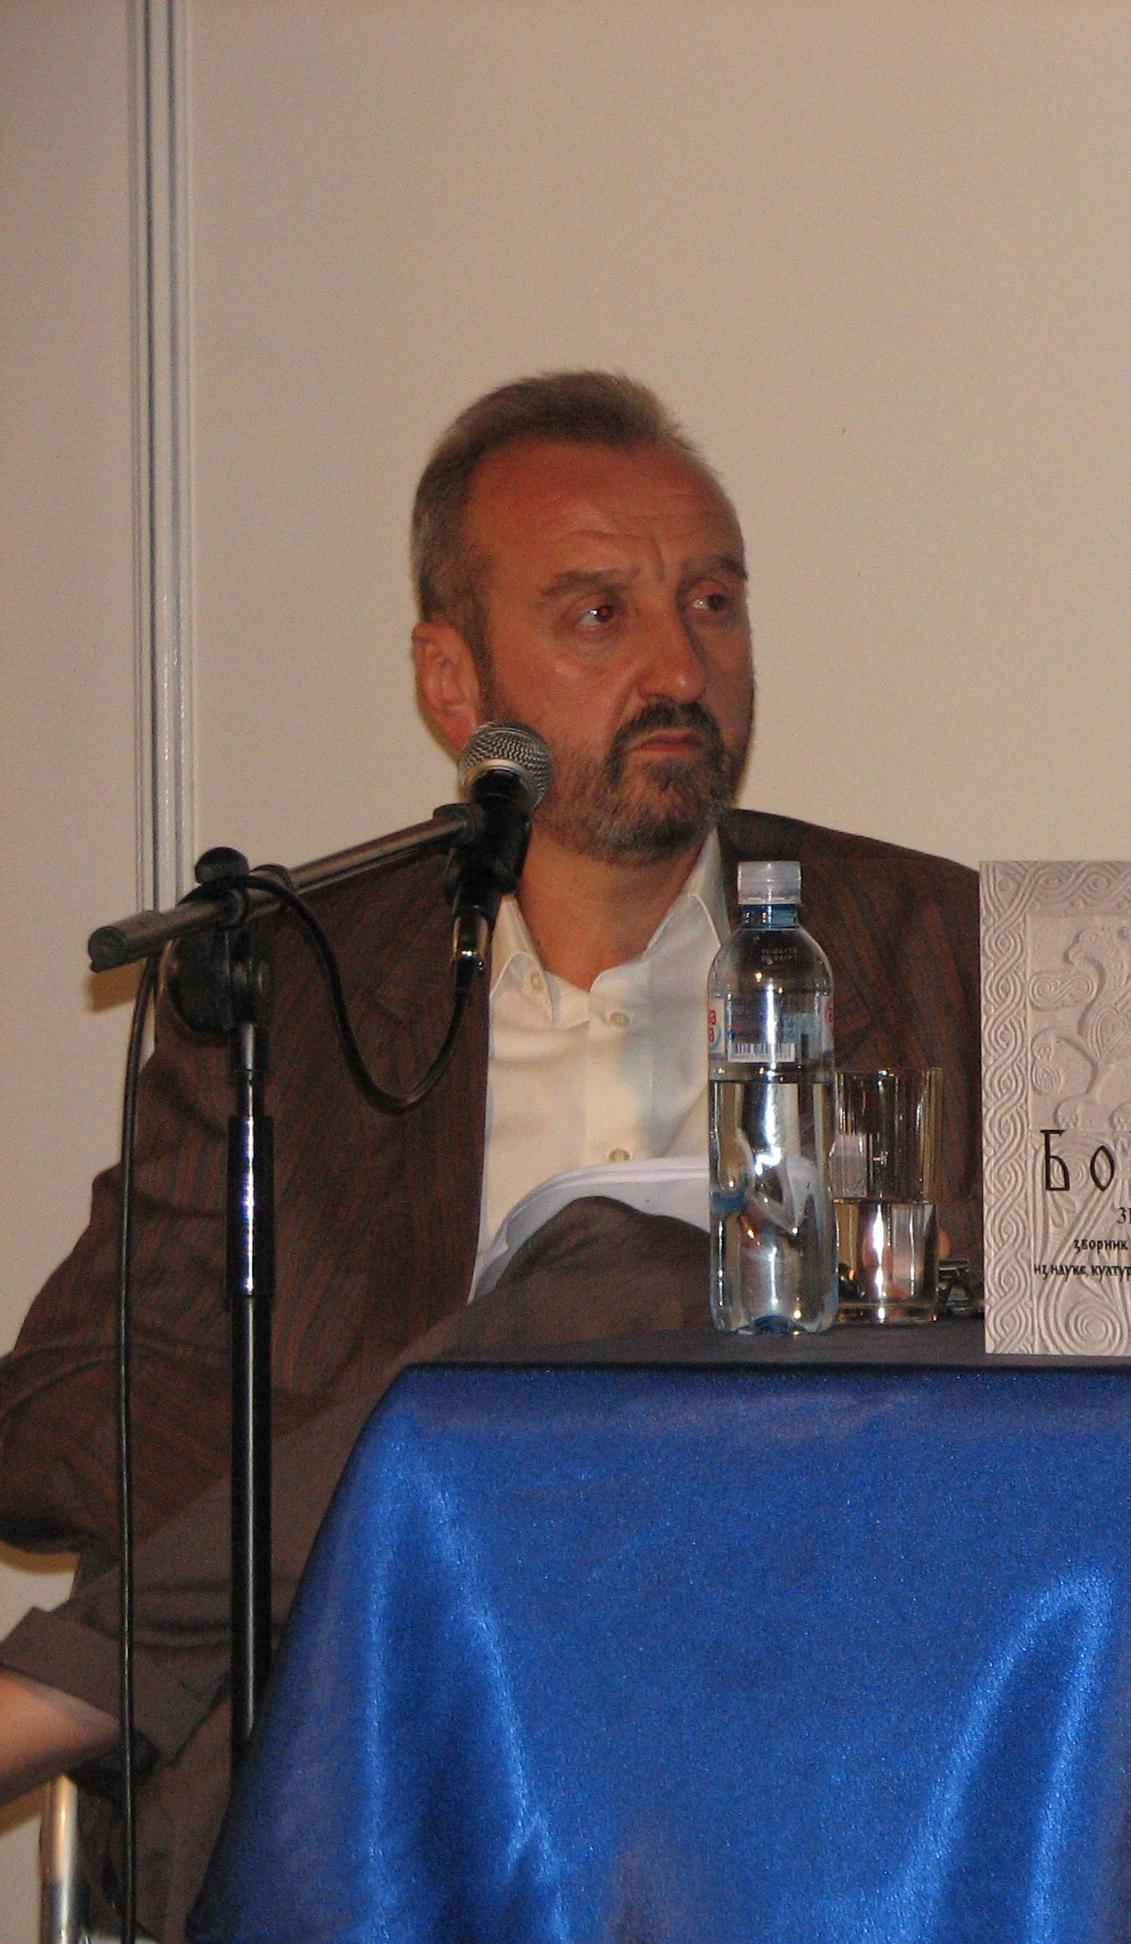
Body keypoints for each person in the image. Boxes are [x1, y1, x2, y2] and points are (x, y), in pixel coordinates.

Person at [0, 371, 980, 1935]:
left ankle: (71, 1685)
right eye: (599, 614)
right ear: (453, 683)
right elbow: (68, 1393)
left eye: (712, 602)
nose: (681, 666)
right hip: (394, 1740)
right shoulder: (291, 986)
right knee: (565, 1321)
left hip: (799, 1707)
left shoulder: (943, 951)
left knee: (626, 1271)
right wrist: (400, 1504)